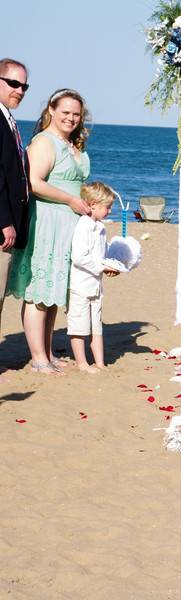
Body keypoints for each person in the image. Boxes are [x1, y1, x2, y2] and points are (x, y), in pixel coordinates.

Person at [7, 89, 91, 375]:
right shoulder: (44, 142)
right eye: (65, 112)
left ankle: (49, 351)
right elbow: (33, 182)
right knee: (39, 292)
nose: (70, 118)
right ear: (51, 111)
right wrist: (70, 200)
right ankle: (38, 358)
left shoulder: (70, 144)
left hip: (69, 225)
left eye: (76, 114)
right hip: (47, 223)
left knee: (53, 293)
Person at [0, 58, 30, 384]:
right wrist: (4, 220)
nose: (19, 91)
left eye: (24, 86)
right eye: (13, 83)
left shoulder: (9, 121)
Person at [68, 182, 118, 373]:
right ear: (92, 205)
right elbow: (79, 257)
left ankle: (100, 362)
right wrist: (101, 267)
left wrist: (112, 265)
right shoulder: (84, 226)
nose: (110, 211)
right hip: (81, 285)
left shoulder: (100, 227)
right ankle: (81, 363)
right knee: (79, 325)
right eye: (107, 207)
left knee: (97, 326)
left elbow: (102, 253)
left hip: (96, 286)